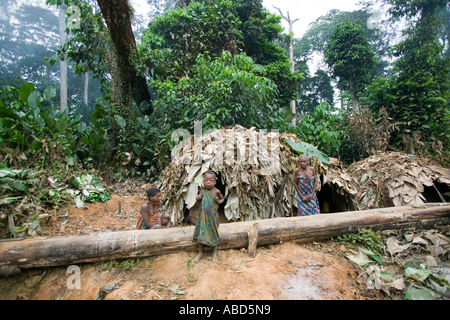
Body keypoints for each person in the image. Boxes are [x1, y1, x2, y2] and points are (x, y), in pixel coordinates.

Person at [193, 170, 224, 262]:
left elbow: (222, 199)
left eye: (211, 180)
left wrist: (219, 201)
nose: (208, 182)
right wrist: (199, 197)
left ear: (214, 182)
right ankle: (200, 252)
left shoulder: (216, 191)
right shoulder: (203, 190)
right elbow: (198, 199)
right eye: (206, 180)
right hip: (203, 216)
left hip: (212, 217)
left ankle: (214, 253)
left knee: (213, 232)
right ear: (203, 182)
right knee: (201, 232)